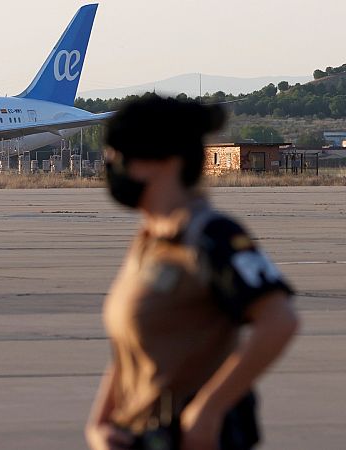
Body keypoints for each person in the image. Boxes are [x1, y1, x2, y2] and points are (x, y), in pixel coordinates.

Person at [85, 95, 299, 450]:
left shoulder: (212, 236)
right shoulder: (149, 240)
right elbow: (133, 347)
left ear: (166, 160)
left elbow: (279, 320)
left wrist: (209, 410)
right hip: (136, 435)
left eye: (120, 153)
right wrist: (102, 421)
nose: (111, 163)